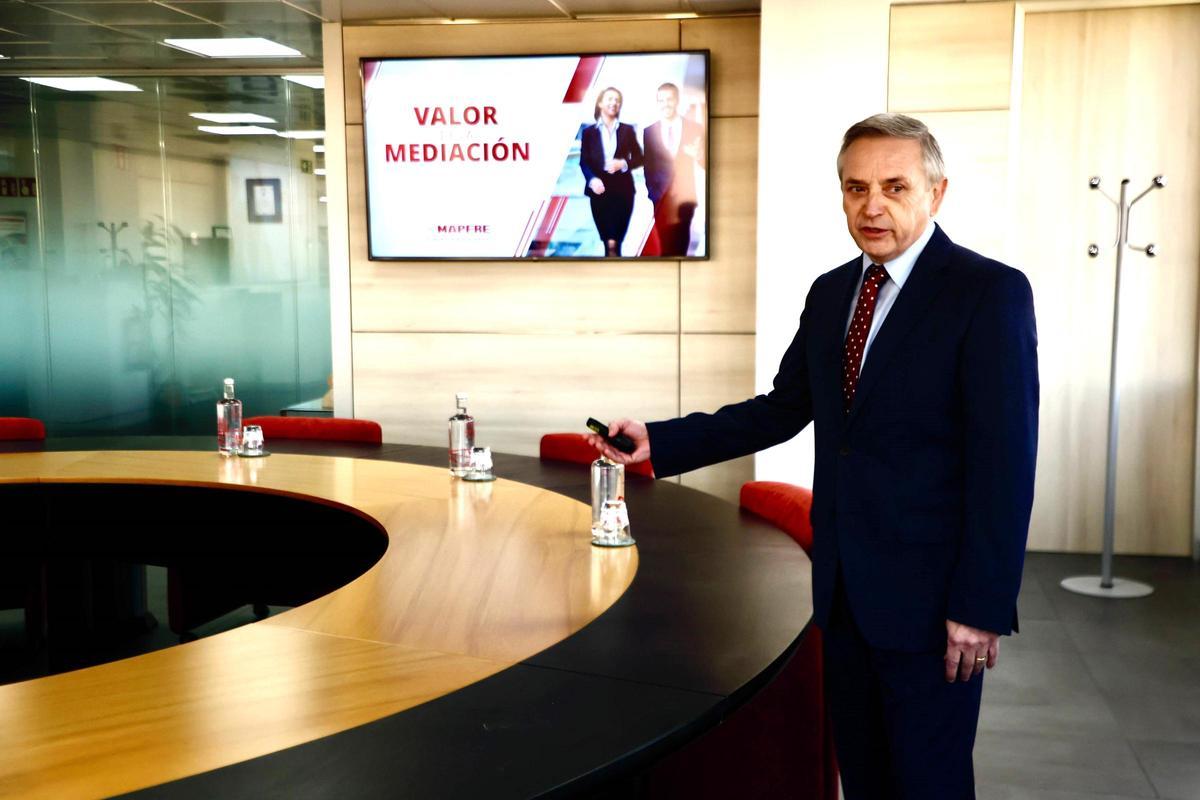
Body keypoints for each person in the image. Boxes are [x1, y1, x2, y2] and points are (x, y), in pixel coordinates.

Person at [587, 113, 1038, 799]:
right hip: (842, 593)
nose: (873, 205)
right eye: (856, 188)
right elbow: (782, 407)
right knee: (862, 777)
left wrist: (981, 602)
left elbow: (1006, 463)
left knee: (929, 782)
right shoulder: (833, 293)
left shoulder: (988, 292)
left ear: (936, 194)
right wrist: (663, 439)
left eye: (894, 186)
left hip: (932, 603)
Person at [642, 82, 705, 257]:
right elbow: (649, 167)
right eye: (661, 100)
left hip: (685, 198)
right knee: (665, 247)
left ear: (677, 101)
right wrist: (653, 194)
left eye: (669, 99)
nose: (665, 104)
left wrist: (699, 156)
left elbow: (706, 163)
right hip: (660, 200)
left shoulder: (694, 129)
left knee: (681, 246)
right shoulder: (649, 131)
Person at [579, 87, 643, 257]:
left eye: (617, 100)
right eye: (610, 99)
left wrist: (623, 163)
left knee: (615, 242)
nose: (614, 103)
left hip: (624, 193)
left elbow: (639, 158)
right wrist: (592, 180)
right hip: (599, 193)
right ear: (600, 103)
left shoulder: (627, 130)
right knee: (608, 241)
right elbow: (584, 161)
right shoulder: (588, 133)